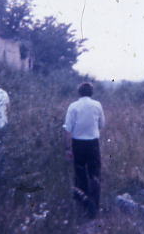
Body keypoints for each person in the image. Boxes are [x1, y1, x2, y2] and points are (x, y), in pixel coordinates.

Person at [63, 82, 105, 219]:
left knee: (79, 174)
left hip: (78, 144)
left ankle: (83, 206)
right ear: (91, 92)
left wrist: (68, 148)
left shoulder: (73, 106)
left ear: (79, 92)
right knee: (95, 174)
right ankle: (94, 208)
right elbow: (102, 124)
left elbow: (67, 129)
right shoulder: (97, 105)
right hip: (93, 144)